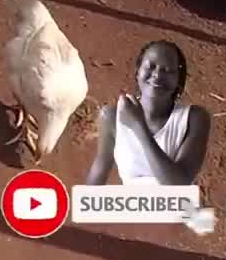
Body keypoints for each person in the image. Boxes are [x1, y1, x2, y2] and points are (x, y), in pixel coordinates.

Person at [85, 40, 212, 186]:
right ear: (137, 72)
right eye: (150, 67)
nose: (157, 75)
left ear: (178, 80)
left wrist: (139, 127)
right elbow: (99, 170)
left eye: (168, 70)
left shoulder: (194, 118)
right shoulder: (111, 117)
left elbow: (178, 186)